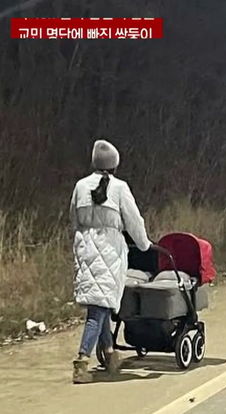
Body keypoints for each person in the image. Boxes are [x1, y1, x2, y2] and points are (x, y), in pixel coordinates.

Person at [70, 140, 152, 384]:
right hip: (109, 250)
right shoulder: (119, 188)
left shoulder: (80, 186)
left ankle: (109, 355)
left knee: (101, 304)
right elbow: (134, 221)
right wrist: (145, 245)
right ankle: (82, 361)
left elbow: (72, 219)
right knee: (98, 310)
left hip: (85, 248)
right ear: (114, 164)